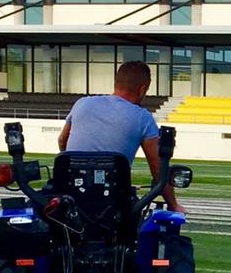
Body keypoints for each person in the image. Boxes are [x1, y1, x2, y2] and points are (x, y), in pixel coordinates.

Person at [57, 60, 185, 212]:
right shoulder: (143, 118)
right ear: (142, 89)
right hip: (113, 203)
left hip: (71, 196)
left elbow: (62, 141)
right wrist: (173, 205)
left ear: (116, 83)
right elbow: (158, 170)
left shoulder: (82, 103)